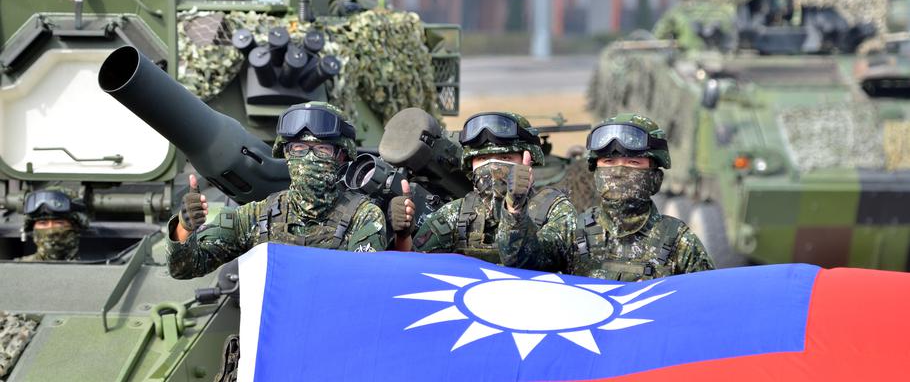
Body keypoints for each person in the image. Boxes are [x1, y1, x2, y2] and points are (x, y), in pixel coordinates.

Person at [166, 102, 387, 280]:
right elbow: (184, 268)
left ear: (341, 156)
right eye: (298, 149)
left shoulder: (363, 217)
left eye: (321, 149)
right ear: (286, 154)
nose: (307, 159)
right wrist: (184, 229)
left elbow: (366, 290)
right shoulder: (255, 217)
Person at [500, 113, 714, 281]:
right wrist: (515, 209)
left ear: (655, 178)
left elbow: (706, 306)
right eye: (608, 163)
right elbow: (519, 261)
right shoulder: (574, 230)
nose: (619, 172)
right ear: (595, 173)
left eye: (633, 163)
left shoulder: (678, 241)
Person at [391, 112, 574, 271]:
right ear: (471, 165)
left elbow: (530, 261)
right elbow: (412, 270)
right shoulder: (458, 214)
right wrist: (403, 236)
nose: (492, 167)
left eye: (505, 157)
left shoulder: (554, 210)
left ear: (528, 161)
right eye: (483, 158)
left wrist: (515, 210)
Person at [19, 187, 88, 261]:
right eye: (43, 223)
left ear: (76, 227)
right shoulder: (16, 268)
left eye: (59, 223)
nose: (50, 231)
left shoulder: (93, 270)